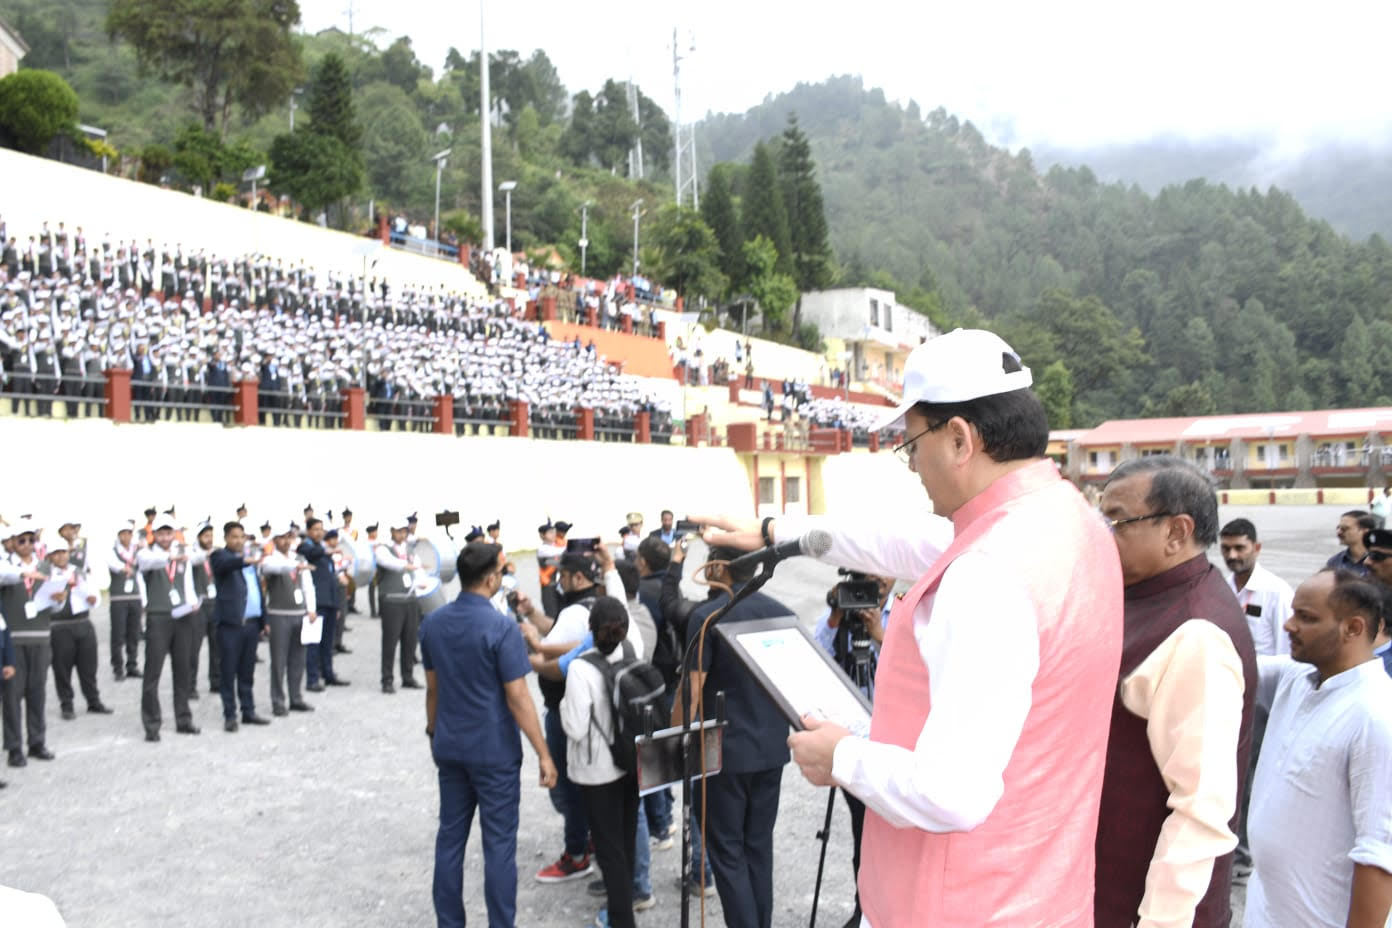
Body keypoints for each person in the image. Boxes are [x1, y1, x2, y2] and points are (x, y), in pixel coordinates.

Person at [711, 328, 1125, 926]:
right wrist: (781, 534)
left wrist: (841, 756)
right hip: (1044, 894)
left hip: (957, 907)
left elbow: (951, 793)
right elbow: (901, 542)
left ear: (959, 439)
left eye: (911, 445)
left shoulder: (986, 573)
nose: (913, 467)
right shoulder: (1070, 521)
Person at [1094, 456, 1258, 927]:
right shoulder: (1142, 594)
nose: (1104, 536)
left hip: (1144, 906)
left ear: (1176, 532)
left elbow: (1200, 810)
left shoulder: (1197, 632)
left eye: (1118, 522)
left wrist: (1160, 920)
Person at [1245, 570, 1392, 927]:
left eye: (1306, 617)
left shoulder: (1376, 715)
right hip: (1266, 913)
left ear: (1353, 628)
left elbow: (1379, 857)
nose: (1289, 625)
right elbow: (1228, 667)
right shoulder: (1297, 676)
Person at [423, 541, 558, 928]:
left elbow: (433, 689)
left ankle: (449, 922)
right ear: (490, 579)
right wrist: (543, 753)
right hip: (493, 750)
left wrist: (433, 731)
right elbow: (518, 697)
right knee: (498, 845)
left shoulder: (433, 623)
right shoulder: (501, 627)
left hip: (450, 745)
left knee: (450, 838)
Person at [669, 541, 794, 928]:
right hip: (771, 749)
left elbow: (691, 690)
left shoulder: (708, 616)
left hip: (722, 754)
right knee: (758, 847)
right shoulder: (782, 611)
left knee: (727, 852)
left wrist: (672, 742)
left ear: (720, 567)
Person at [810, 573, 892, 928]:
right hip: (853, 740)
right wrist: (834, 617)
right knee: (864, 834)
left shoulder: (904, 614)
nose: (877, 580)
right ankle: (864, 909)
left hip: (891, 740)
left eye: (883, 573)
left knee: (890, 839)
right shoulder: (841, 613)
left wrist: (879, 636)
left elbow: (917, 670)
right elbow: (815, 658)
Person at [1219, 517, 1295, 874]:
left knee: (1251, 778)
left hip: (1261, 702)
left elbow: (1291, 655)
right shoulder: (1224, 589)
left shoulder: (1275, 592)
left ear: (1257, 548)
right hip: (1227, 697)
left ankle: (1244, 853)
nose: (1233, 555)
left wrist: (1248, 666)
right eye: (1226, 549)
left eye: (1240, 548)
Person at [563, 596, 644, 928]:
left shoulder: (580, 668)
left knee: (609, 850)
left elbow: (575, 727)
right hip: (633, 761)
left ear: (590, 629)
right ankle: (624, 907)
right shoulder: (633, 652)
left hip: (598, 770)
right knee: (626, 841)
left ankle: (621, 919)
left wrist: (563, 708)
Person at [136, 517, 202, 741]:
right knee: (153, 672)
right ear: (154, 534)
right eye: (161, 534)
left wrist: (192, 601)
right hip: (159, 616)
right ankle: (151, 724)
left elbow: (188, 580)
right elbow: (148, 563)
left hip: (182, 615)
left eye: (169, 533)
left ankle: (183, 719)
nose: (165, 538)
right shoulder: (147, 553)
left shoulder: (181, 552)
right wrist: (170, 556)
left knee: (182, 670)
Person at [1, 522, 58, 767]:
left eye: (30, 540)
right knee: (12, 696)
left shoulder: (45, 566)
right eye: (21, 540)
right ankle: (14, 747)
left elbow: (54, 605)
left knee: (37, 692)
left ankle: (36, 741)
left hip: (40, 636)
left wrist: (59, 599)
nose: (26, 545)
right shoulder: (6, 565)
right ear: (12, 542)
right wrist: (25, 574)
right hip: (14, 638)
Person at [40, 538, 112, 721]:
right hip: (60, 625)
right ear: (50, 557)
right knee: (62, 668)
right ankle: (67, 704)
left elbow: (94, 592)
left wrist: (94, 599)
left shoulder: (79, 571)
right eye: (56, 554)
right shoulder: (46, 575)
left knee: (88, 666)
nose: (61, 556)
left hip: (83, 621)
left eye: (63, 552)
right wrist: (54, 599)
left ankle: (93, 700)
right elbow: (41, 601)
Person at [210, 522, 270, 731]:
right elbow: (225, 565)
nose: (238, 540)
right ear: (226, 538)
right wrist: (244, 560)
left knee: (247, 671)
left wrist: (264, 620)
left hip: (251, 625)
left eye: (241, 537)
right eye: (234, 537)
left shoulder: (249, 562)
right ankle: (230, 715)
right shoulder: (220, 556)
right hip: (230, 626)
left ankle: (248, 711)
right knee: (228, 671)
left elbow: (257, 592)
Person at [261, 525, 315, 716]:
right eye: (281, 537)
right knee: (279, 661)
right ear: (275, 540)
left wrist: (311, 608)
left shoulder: (299, 558)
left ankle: (296, 697)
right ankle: (278, 701)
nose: (285, 541)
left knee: (298, 659)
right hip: (279, 614)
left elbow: (308, 585)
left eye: (288, 537)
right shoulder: (270, 559)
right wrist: (295, 566)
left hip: (299, 614)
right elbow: (274, 568)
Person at [374, 517, 423, 693]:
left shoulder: (410, 549)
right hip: (391, 600)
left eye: (404, 531)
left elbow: (418, 569)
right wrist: (407, 565)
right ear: (392, 531)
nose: (402, 535)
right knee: (390, 641)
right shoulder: (383, 549)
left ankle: (407, 676)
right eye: (398, 531)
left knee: (410, 640)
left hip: (410, 599)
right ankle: (387, 679)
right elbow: (389, 563)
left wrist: (421, 582)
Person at [300, 522, 348, 690]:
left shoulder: (323, 549)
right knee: (314, 643)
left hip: (330, 601)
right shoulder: (305, 547)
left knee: (327, 642)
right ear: (308, 531)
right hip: (317, 602)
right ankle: (312, 679)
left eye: (321, 530)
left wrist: (336, 604)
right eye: (315, 529)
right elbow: (310, 553)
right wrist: (328, 551)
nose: (319, 532)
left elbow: (331, 576)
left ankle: (328, 674)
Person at [106, 521, 143, 680]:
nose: (126, 536)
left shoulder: (137, 552)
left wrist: (144, 599)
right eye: (123, 533)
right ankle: (118, 668)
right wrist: (126, 567)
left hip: (134, 596)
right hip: (119, 598)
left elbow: (141, 574)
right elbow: (114, 565)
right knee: (118, 634)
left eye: (128, 533)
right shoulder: (112, 551)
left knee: (133, 633)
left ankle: (132, 664)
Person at [1328, 510, 1377, 575]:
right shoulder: (1335, 561)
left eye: (1344, 528)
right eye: (1338, 528)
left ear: (1365, 531)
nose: (1339, 532)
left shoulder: (1381, 561)